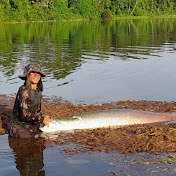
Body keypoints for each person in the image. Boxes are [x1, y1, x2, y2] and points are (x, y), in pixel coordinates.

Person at [7, 63, 54, 138]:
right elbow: (24, 115)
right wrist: (41, 119)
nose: (36, 76)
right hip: (19, 124)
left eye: (38, 73)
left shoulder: (38, 91)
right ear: (27, 75)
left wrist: (43, 117)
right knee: (26, 138)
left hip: (31, 123)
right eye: (32, 73)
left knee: (49, 128)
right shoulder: (24, 91)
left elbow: (37, 111)